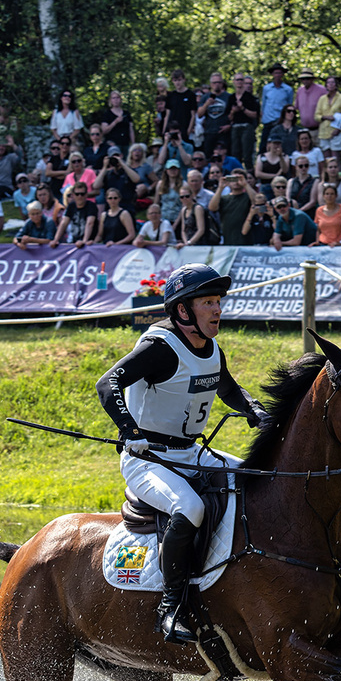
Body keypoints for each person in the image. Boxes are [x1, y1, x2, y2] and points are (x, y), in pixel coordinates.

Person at [95, 263, 268, 643]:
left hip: (190, 453)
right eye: (208, 302)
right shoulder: (160, 348)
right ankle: (170, 610)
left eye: (218, 301)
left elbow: (228, 388)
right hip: (148, 460)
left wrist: (254, 410)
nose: (217, 310)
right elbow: (107, 383)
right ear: (183, 310)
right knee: (190, 508)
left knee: (258, 480)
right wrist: (130, 431)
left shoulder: (209, 346)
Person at [210, 168, 253, 245]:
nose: (236, 182)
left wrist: (245, 185)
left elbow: (257, 202)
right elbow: (212, 208)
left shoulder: (248, 197)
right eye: (233, 179)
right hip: (228, 238)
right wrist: (220, 188)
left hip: (247, 239)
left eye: (239, 179)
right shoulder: (224, 198)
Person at [53, 181, 97, 247]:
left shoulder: (91, 206)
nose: (80, 196)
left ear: (86, 195)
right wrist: (55, 240)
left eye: (82, 194)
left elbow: (90, 223)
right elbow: (63, 223)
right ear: (73, 195)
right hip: (73, 242)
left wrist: (84, 241)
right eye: (77, 194)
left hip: (88, 243)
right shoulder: (71, 206)